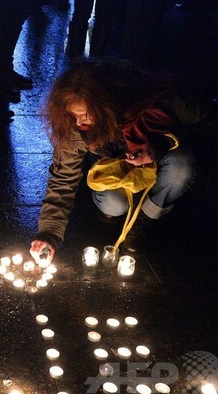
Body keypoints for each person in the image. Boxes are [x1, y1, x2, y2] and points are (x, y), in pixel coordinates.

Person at [29, 60, 200, 262]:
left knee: (182, 166)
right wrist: (49, 233)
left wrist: (157, 146)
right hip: (119, 172)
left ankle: (146, 217)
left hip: (164, 163)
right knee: (113, 205)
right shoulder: (75, 128)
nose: (79, 122)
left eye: (85, 114)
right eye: (72, 115)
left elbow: (204, 126)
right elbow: (63, 178)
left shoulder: (153, 102)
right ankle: (117, 210)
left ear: (106, 106)